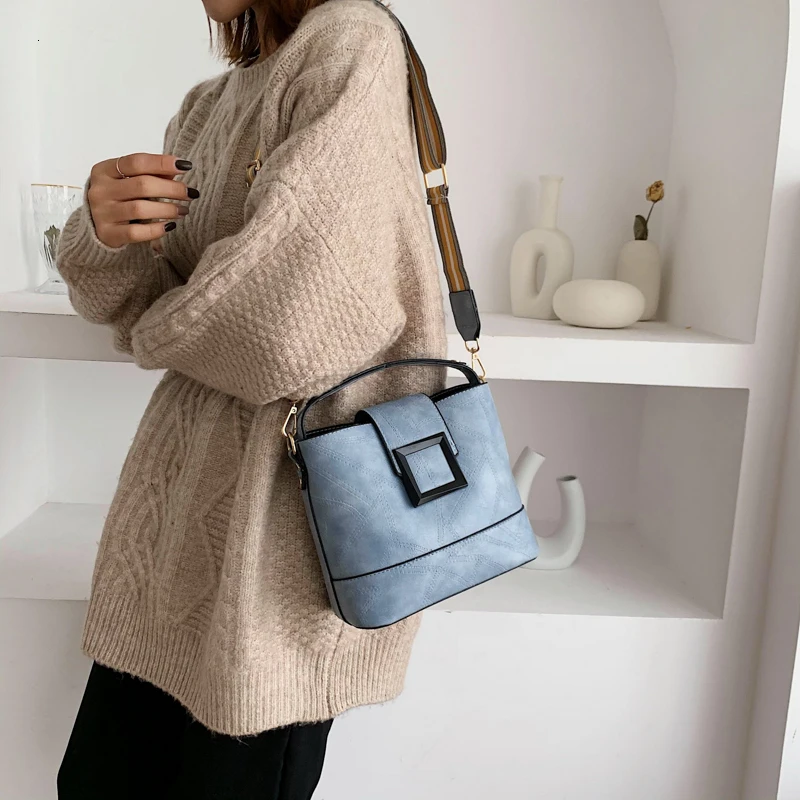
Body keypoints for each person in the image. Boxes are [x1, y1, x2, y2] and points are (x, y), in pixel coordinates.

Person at [55, 0, 447, 797]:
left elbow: (287, 324)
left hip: (281, 557)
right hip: (172, 545)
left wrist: (161, 329)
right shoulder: (208, 105)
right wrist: (103, 233)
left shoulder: (351, 42)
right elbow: (137, 302)